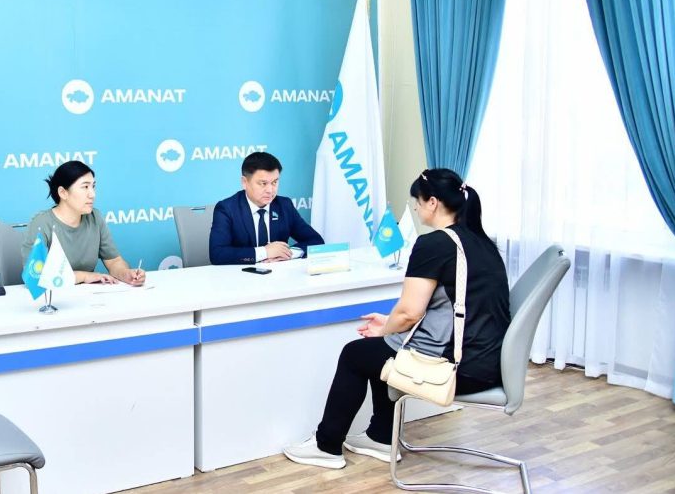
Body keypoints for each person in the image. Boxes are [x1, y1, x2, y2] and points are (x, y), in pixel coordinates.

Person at [283, 168, 510, 469]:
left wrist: (388, 328)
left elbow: (409, 313)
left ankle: (326, 446)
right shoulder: (480, 241)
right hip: (487, 362)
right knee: (383, 348)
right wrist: (390, 326)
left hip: (459, 369)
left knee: (355, 354)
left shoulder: (435, 243)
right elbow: (440, 308)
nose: (415, 208)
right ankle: (380, 437)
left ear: (432, 202)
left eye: (417, 201)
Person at [21, 161, 145, 286]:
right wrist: (84, 276)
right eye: (85, 187)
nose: (92, 194)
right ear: (63, 193)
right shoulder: (41, 223)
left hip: (88, 294)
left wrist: (126, 274)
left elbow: (113, 261)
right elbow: (34, 276)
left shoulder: (95, 218)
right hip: (53, 295)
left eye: (93, 186)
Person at [209, 152, 324, 265]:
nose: (270, 190)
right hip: (240, 275)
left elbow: (316, 241)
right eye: (263, 183)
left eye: (274, 182)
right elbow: (217, 254)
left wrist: (287, 253)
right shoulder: (227, 209)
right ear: (244, 182)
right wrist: (265, 252)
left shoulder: (284, 205)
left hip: (279, 274)